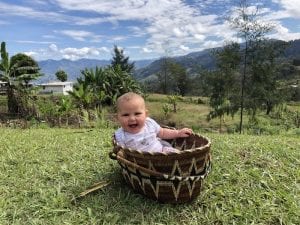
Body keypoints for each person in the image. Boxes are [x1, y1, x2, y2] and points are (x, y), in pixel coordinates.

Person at [114, 92, 193, 153]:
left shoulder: (149, 123)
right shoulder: (120, 135)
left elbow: (162, 132)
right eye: (125, 115)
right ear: (118, 118)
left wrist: (178, 133)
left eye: (137, 114)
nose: (132, 118)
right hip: (139, 162)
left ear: (146, 115)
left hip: (161, 152)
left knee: (177, 155)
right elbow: (122, 151)